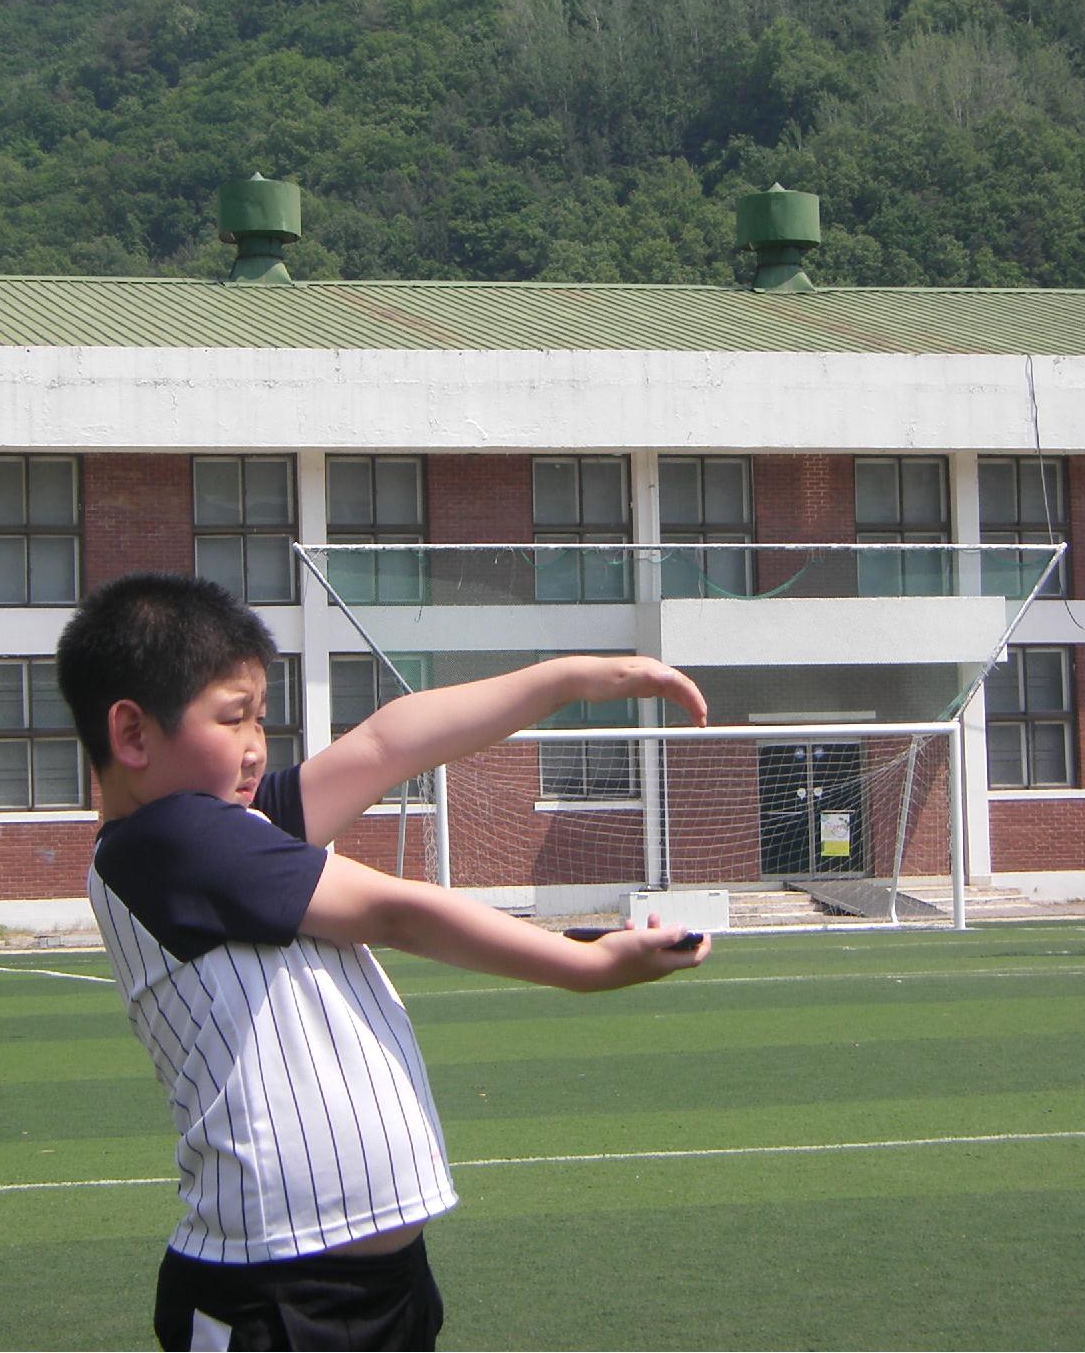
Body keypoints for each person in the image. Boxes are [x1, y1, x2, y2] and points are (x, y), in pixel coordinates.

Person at [54, 571, 712, 1352]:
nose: (256, 746)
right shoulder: (168, 842)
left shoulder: (227, 832)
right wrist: (587, 964)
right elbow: (396, 910)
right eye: (233, 719)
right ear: (131, 735)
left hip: (369, 1284)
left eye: (262, 718)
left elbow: (386, 741)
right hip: (275, 1295)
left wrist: (569, 678)